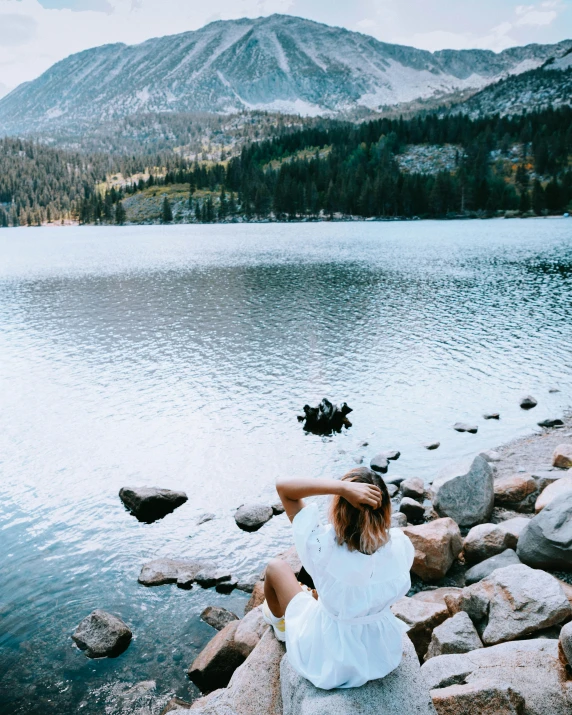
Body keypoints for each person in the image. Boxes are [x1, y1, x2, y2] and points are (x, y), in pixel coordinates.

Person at [261, 467, 414, 690]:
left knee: (275, 567)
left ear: (340, 507)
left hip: (330, 657)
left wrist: (342, 487)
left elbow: (283, 486)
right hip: (380, 652)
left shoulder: (322, 547)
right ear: (385, 510)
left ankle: (280, 625)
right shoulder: (400, 545)